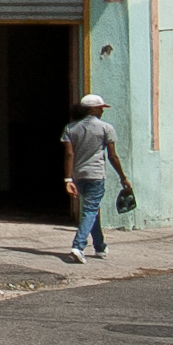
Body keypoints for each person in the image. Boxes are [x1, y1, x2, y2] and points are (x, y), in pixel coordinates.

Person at [62, 91, 131, 261]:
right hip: (96, 175)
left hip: (79, 176)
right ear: (92, 110)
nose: (103, 111)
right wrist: (123, 176)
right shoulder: (105, 128)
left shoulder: (71, 128)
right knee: (90, 210)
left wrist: (68, 179)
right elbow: (112, 156)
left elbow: (69, 155)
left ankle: (100, 246)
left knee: (92, 210)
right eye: (101, 108)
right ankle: (78, 246)